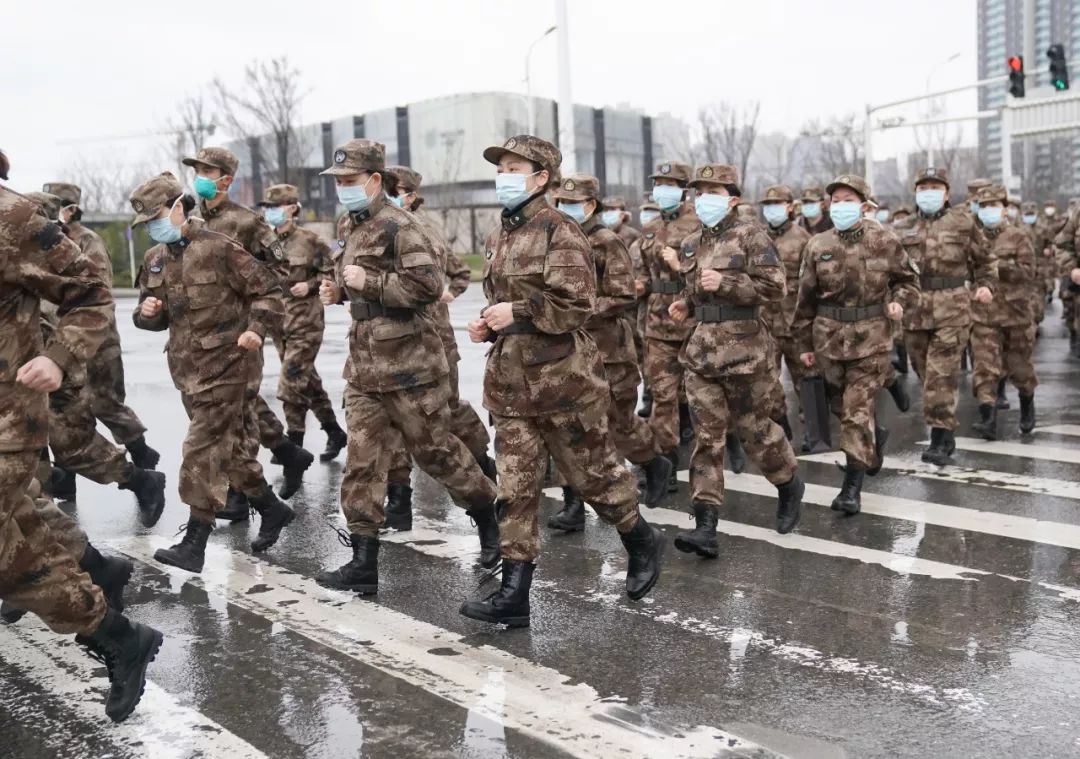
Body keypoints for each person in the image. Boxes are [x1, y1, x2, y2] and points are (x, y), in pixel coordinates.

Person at [461, 135, 664, 627]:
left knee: (592, 475)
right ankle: (514, 593)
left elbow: (576, 306)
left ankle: (640, 537)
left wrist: (520, 312)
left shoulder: (561, 231)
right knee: (515, 485)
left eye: (515, 167)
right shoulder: (499, 234)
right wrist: (488, 323)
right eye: (501, 167)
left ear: (541, 177)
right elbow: (505, 302)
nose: (504, 175)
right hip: (511, 382)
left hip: (562, 381)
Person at [0, 149, 162, 723]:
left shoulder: (14, 218)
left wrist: (59, 357)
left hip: (9, 417)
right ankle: (100, 573)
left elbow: (91, 289)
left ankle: (112, 633)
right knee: (24, 522)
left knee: (8, 549)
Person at [315, 140, 500, 596]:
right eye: (337, 182)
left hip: (410, 366)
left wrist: (371, 282)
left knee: (436, 452)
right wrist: (339, 292)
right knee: (361, 461)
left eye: (349, 181)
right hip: (363, 367)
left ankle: (491, 521)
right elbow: (353, 281)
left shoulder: (403, 226)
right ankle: (363, 560)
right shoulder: (350, 225)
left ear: (375, 181)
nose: (342, 189)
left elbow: (427, 286)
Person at [131, 172, 294, 573]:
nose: (153, 227)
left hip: (229, 367)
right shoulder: (155, 259)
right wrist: (147, 314)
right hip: (188, 372)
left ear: (178, 207)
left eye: (157, 216)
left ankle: (194, 541)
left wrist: (256, 330)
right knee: (233, 453)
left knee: (200, 450)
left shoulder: (220, 249)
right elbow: (150, 315)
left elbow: (269, 292)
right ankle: (272, 510)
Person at [664, 164, 804, 552]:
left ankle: (789, 483)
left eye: (713, 191)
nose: (704, 198)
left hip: (745, 353)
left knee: (755, 431)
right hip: (701, 353)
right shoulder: (691, 242)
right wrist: (684, 304)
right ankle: (706, 525)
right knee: (707, 439)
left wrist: (727, 282)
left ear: (733, 199)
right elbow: (694, 290)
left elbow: (775, 287)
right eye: (700, 191)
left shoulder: (751, 237)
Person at [21, 192, 166, 526]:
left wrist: (60, 355)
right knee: (29, 457)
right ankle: (59, 519)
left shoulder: (66, 244)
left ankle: (139, 473)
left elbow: (93, 295)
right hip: (26, 362)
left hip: (63, 351)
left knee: (76, 436)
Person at [181, 147, 313, 507]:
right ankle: (288, 452)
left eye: (207, 170)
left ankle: (241, 496)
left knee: (240, 410)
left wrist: (255, 316)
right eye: (197, 170)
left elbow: (280, 272)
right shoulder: (191, 224)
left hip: (241, 334)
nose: (200, 177)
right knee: (235, 406)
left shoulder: (247, 223)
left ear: (227, 178)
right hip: (202, 337)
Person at [549, 172, 672, 528]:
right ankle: (573, 505)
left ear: (590, 205)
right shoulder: (557, 239)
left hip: (609, 351)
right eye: (561, 202)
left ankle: (652, 461)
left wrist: (578, 309)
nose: (566, 209)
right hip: (568, 350)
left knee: (618, 424)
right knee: (571, 427)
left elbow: (623, 295)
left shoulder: (606, 241)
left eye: (573, 203)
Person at [793, 174, 920, 514]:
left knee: (855, 412)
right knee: (841, 409)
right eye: (836, 200)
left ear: (864, 206)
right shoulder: (817, 245)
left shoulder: (885, 240)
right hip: (828, 340)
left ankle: (851, 489)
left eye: (849, 200)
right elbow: (804, 298)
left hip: (871, 340)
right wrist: (803, 343)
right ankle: (874, 437)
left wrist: (900, 302)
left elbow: (909, 282)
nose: (841, 206)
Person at [380, 164, 497, 531]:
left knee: (442, 413)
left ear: (410, 194)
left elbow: (457, 273)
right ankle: (399, 500)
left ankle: (481, 460)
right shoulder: (380, 225)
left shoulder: (423, 229)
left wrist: (448, 293)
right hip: (390, 341)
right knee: (391, 421)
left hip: (432, 337)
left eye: (393, 188)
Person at [42, 181, 160, 471]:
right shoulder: (46, 241)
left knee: (105, 404)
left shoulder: (87, 241)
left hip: (97, 341)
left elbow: (97, 292)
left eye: (55, 208)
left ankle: (141, 453)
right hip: (59, 340)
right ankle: (65, 480)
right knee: (63, 409)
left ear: (70, 210)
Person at [894, 168, 996, 465]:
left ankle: (940, 438)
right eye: (923, 186)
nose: (929, 192)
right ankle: (944, 428)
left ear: (947, 193)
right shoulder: (902, 227)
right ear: (915, 192)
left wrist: (986, 285)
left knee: (942, 375)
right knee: (926, 375)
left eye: (935, 187)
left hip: (952, 308)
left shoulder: (964, 223)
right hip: (914, 311)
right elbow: (890, 268)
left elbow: (985, 259)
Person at [255, 184, 347, 464]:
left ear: (292, 208)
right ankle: (334, 431)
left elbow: (333, 271)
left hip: (306, 322)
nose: (269, 212)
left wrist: (309, 285)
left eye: (276, 206)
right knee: (308, 381)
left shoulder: (311, 241)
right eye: (267, 208)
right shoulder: (265, 242)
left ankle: (293, 444)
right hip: (279, 324)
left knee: (290, 382)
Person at [634, 161, 707, 485]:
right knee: (661, 394)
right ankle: (666, 462)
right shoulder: (649, 227)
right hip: (657, 321)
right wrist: (638, 284)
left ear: (683, 189)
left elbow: (707, 273)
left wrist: (680, 267)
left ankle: (715, 452)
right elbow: (640, 269)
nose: (663, 189)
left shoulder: (701, 224)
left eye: (670, 183)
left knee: (697, 395)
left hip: (692, 319)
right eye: (658, 183)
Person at [968, 186, 1038, 439]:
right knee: (985, 367)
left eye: (994, 205)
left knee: (1020, 368)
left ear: (1005, 209)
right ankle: (988, 417)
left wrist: (998, 266)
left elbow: (1028, 272)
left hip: (1016, 314)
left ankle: (1027, 403)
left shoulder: (1019, 236)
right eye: (984, 206)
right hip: (983, 314)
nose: (988, 211)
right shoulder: (973, 238)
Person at [758, 184, 811, 441]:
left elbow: (812, 283)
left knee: (806, 378)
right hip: (765, 322)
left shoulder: (803, 239)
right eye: (768, 205)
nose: (772, 210)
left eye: (777, 204)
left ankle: (812, 428)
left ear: (790, 207)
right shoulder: (758, 239)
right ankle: (780, 423)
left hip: (795, 322)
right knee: (767, 380)